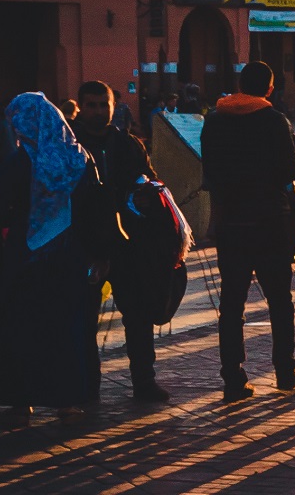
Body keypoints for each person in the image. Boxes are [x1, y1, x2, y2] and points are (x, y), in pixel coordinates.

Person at [0, 93, 113, 425]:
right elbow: (95, 210)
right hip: (69, 256)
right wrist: (100, 254)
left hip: (26, 257)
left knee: (22, 327)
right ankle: (66, 401)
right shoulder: (79, 158)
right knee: (65, 328)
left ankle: (21, 401)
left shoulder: (21, 162)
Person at [201, 61, 295, 403]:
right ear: (270, 90)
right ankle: (285, 370)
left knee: (232, 304)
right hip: (269, 221)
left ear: (239, 85)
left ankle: (234, 377)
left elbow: (211, 173)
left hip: (232, 224)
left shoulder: (214, 120)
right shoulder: (274, 120)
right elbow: (288, 172)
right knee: (279, 300)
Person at [73, 81, 175, 402]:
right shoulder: (70, 146)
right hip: (85, 246)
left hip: (128, 243)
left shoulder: (128, 144)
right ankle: (87, 387)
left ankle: (144, 381)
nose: (98, 112)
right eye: (91, 105)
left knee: (138, 315)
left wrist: (147, 192)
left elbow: (150, 178)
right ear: (80, 108)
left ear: (113, 106)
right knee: (85, 319)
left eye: (103, 105)